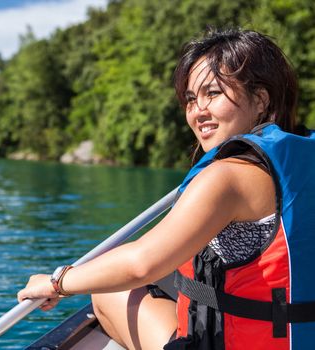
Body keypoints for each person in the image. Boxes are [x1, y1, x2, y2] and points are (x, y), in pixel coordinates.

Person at [17, 28, 315, 350]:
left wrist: (57, 282)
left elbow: (141, 265)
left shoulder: (229, 176)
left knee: (107, 292)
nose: (198, 111)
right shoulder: (300, 158)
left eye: (212, 93)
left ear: (260, 100)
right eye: (190, 99)